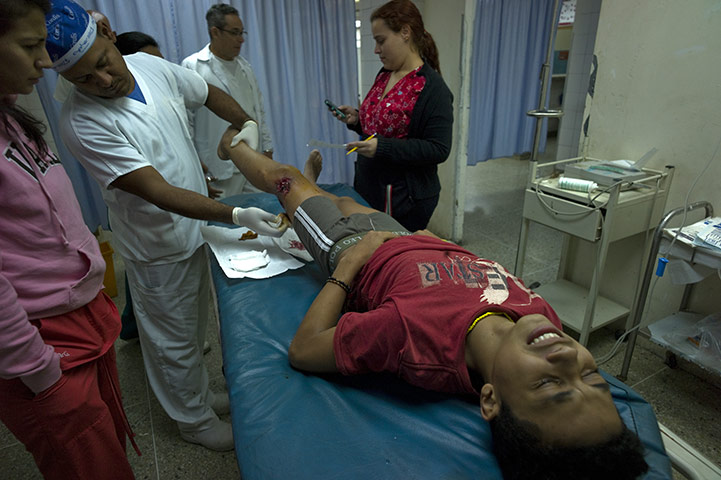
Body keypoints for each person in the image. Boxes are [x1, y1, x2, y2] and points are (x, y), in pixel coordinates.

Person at [216, 127, 650, 480]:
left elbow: (304, 349)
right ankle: (312, 195)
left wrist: (348, 265)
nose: (566, 357)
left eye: (549, 385)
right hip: (408, 238)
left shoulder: (415, 337)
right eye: (591, 375)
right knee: (344, 198)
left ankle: (234, 147)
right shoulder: (542, 322)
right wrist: (441, 245)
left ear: (490, 401)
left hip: (351, 245)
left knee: (286, 178)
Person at [44, 0, 286, 452]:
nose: (102, 81)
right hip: (155, 244)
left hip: (196, 231)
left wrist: (245, 121)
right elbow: (155, 189)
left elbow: (205, 91)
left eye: (102, 63)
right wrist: (235, 214)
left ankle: (200, 396)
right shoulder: (82, 121)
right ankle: (192, 421)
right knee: (171, 338)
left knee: (195, 331)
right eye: (82, 79)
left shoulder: (149, 66)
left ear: (110, 36)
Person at [0, 0, 136, 478]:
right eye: (31, 46)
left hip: (82, 322)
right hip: (42, 345)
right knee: (88, 465)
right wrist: (40, 372)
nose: (44, 61)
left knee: (108, 450)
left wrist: (92, 29)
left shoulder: (12, 116)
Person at [330, 0, 453, 231]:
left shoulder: (432, 89)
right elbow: (381, 126)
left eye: (381, 40)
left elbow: (438, 148)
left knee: (390, 257)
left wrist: (382, 147)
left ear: (405, 32)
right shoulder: (385, 75)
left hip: (403, 198)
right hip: (370, 186)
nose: (376, 50)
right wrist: (358, 120)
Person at [182, 3, 274, 199]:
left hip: (252, 160)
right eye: (234, 33)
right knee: (224, 221)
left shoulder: (245, 67)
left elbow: (258, 111)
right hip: (216, 166)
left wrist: (267, 148)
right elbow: (185, 121)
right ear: (215, 32)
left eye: (242, 33)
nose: (241, 39)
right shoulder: (192, 66)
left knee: (258, 214)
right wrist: (194, 162)